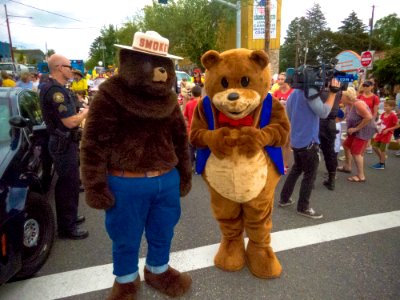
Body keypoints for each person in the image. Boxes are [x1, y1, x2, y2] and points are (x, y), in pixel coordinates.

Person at [39, 54, 89, 240]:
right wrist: (85, 113)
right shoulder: (55, 92)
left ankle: (70, 217)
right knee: (67, 185)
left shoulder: (58, 88)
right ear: (60, 68)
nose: (71, 70)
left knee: (72, 182)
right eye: (69, 67)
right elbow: (69, 122)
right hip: (63, 142)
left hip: (67, 142)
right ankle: (66, 228)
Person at [279, 78, 340, 219]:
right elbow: (324, 112)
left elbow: (288, 113)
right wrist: (332, 94)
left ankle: (284, 199)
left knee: (296, 170)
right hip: (308, 141)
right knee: (309, 175)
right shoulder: (310, 92)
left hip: (297, 139)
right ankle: (303, 207)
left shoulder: (294, 92)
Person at [337, 87, 376, 182]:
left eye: (341, 96)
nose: (340, 97)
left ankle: (361, 176)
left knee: (356, 152)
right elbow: (343, 117)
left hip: (363, 129)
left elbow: (368, 117)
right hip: (354, 130)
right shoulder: (348, 105)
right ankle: (347, 166)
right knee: (346, 145)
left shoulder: (358, 104)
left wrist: (356, 128)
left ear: (347, 97)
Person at [318, 90, 342, 190]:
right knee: (330, 153)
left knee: (313, 150)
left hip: (319, 121)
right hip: (331, 122)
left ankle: (310, 180)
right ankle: (331, 180)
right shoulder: (338, 91)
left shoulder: (320, 89)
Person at [273, 72, 293, 174]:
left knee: (287, 143)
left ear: (287, 80)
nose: (280, 81)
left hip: (289, 120)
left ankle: (285, 164)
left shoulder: (293, 92)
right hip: (278, 120)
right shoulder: (276, 91)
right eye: (279, 79)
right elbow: (272, 104)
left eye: (282, 79)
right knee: (278, 142)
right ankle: (277, 162)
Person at [370, 100, 399, 169]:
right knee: (374, 147)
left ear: (392, 107)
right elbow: (382, 122)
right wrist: (377, 125)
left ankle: (382, 164)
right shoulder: (383, 114)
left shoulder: (393, 116)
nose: (384, 107)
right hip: (380, 133)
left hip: (387, 135)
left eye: (386, 106)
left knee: (383, 150)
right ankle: (382, 159)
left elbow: (397, 125)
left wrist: (388, 129)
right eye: (384, 106)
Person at [358, 80, 380, 153]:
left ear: (372, 87)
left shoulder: (375, 97)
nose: (365, 87)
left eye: (367, 86)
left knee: (367, 133)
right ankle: (361, 148)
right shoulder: (360, 96)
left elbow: (375, 110)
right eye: (364, 85)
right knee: (359, 133)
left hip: (368, 118)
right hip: (359, 118)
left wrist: (372, 120)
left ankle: (367, 147)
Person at [183, 85, 201, 169]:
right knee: (200, 150)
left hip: (190, 130)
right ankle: (199, 167)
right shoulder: (203, 104)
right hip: (201, 131)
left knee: (190, 149)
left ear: (192, 94)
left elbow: (185, 117)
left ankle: (190, 166)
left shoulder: (189, 104)